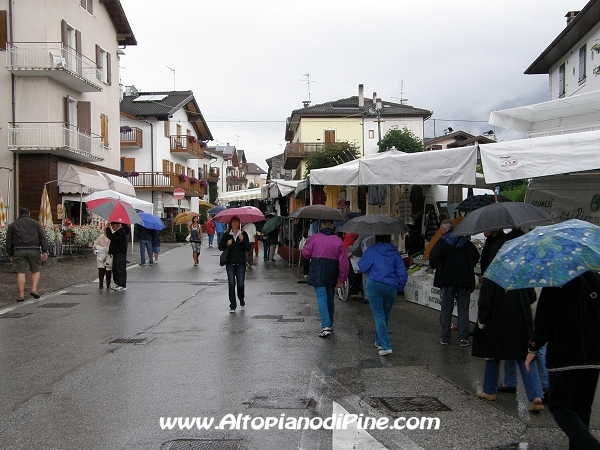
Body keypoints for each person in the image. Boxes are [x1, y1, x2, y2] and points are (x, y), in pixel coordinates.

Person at [526, 271, 600, 448]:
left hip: (564, 355)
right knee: (582, 411)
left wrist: (533, 346)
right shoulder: (596, 279)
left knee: (560, 405)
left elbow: (545, 319)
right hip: (593, 354)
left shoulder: (556, 282)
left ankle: (591, 445)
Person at [472, 280, 545, 411]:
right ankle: (536, 396)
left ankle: (489, 391)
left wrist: (481, 322)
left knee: (492, 355)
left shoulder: (494, 274)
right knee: (524, 357)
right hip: (522, 320)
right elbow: (532, 297)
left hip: (497, 320)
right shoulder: (521, 273)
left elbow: (485, 301)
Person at [429, 219, 480, 346]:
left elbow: (433, 258)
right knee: (463, 310)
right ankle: (463, 338)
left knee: (446, 309)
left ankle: (445, 337)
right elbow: (476, 256)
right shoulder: (465, 242)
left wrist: (439, 265)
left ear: (444, 230)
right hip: (464, 280)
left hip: (447, 280)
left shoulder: (442, 241)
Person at [358, 234, 408, 356]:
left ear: (376, 238)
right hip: (391, 286)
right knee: (385, 315)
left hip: (374, 284)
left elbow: (362, 267)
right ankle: (378, 341)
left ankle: (386, 346)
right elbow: (403, 273)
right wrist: (398, 287)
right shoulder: (395, 252)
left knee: (379, 316)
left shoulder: (371, 250)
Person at [301, 219, 349, 337]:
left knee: (321, 297)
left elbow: (305, 254)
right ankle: (330, 323)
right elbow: (344, 262)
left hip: (318, 269)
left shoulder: (314, 238)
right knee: (330, 297)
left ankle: (326, 325)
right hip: (332, 270)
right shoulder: (338, 240)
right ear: (332, 226)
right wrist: (342, 278)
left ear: (321, 225)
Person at [6, 207, 49, 302]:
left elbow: (8, 240)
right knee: (35, 269)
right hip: (34, 250)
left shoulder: (13, 225)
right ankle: (34, 289)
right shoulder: (35, 224)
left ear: (19, 214)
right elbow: (43, 237)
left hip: (19, 250)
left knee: (21, 272)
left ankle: (21, 294)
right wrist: (45, 250)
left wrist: (10, 253)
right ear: (29, 214)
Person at [218, 215, 251, 313]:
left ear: (239, 223)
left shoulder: (243, 234)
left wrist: (242, 241)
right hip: (230, 263)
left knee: (240, 284)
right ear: (230, 223)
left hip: (241, 263)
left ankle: (241, 297)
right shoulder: (227, 234)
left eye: (237, 222)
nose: (235, 224)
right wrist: (227, 244)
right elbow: (220, 247)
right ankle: (232, 305)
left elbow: (248, 247)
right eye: (233, 222)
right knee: (231, 283)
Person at [106, 222, 129, 291]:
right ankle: (118, 283)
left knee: (120, 269)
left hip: (120, 252)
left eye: (112, 226)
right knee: (115, 269)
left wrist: (107, 228)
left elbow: (111, 237)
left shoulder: (121, 232)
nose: (112, 228)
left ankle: (122, 284)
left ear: (116, 225)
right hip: (117, 252)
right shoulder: (120, 231)